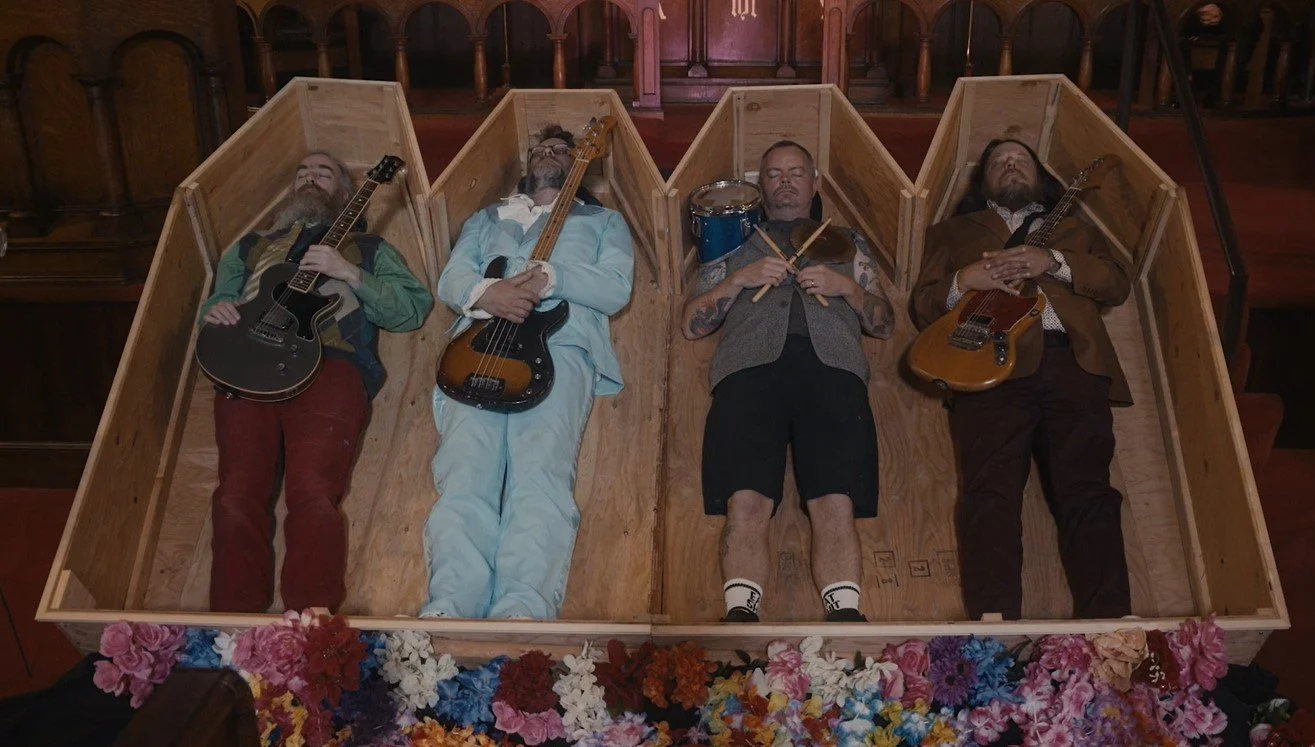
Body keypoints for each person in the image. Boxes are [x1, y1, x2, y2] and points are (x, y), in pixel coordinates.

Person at [909, 138, 1133, 621]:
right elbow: (923, 306)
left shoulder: (1076, 229)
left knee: (1089, 491)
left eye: (1020, 159)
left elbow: (1118, 283)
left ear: (1040, 176)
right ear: (982, 179)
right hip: (986, 369)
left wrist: (1054, 263)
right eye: (998, 161)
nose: (1010, 165)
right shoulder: (950, 232)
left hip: (1074, 364)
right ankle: (993, 623)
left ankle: (1110, 624)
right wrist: (964, 280)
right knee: (989, 494)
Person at [200, 150, 433, 613]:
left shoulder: (370, 249)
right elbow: (217, 304)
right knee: (234, 495)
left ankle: (311, 624)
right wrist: (218, 311)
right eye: (302, 171)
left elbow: (410, 310)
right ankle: (230, 624)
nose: (310, 177)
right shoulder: (249, 246)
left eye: (324, 172)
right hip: (245, 367)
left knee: (313, 492)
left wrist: (348, 272)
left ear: (346, 195)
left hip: (331, 366)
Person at [422, 124, 634, 620]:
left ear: (580, 164)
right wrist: (485, 293)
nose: (549, 153)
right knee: (463, 475)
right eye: (541, 148)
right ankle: (451, 606)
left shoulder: (604, 221)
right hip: (477, 348)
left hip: (557, 347)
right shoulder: (486, 218)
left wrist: (552, 277)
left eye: (561, 149)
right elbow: (452, 277)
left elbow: (615, 288)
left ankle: (523, 610)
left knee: (539, 476)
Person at [680, 140, 894, 623]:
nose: (786, 181)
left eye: (797, 172)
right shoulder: (733, 243)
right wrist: (739, 280)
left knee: (834, 497)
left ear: (815, 183)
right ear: (761, 185)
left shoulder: (848, 242)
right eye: (774, 173)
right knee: (746, 497)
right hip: (748, 371)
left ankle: (844, 617)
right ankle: (741, 616)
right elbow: (692, 324)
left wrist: (848, 288)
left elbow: (884, 324)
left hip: (834, 370)